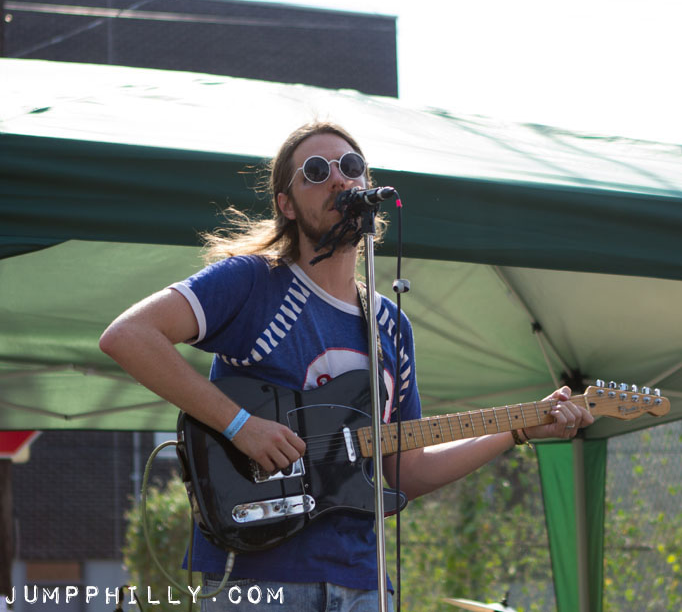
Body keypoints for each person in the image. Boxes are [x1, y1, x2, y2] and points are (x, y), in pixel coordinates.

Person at [99, 121, 593, 612]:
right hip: (260, 576)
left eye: (350, 167)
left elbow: (407, 470)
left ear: (368, 187)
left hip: (364, 581)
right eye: (316, 171)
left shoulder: (391, 325)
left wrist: (517, 429)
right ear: (286, 204)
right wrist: (240, 425)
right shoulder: (252, 282)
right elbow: (128, 336)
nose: (338, 178)